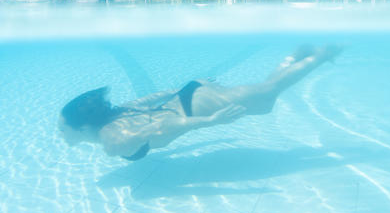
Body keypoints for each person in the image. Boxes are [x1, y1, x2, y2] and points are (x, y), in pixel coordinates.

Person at [59, 46, 339, 161]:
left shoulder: (112, 139)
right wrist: (184, 86)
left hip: (196, 107)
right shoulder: (116, 115)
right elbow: (149, 100)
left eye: (63, 129)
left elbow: (162, 127)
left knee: (268, 91)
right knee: (265, 98)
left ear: (82, 127)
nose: (60, 133)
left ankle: (328, 50)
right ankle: (302, 52)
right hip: (191, 94)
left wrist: (209, 122)